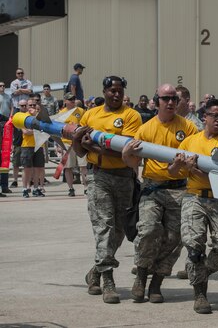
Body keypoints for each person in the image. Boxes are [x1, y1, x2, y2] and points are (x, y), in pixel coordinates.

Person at [121, 84, 198, 303]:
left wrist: (181, 168)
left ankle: (157, 282)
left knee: (175, 238)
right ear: (157, 101)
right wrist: (126, 156)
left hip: (179, 189)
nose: (171, 102)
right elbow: (133, 161)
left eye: (174, 98)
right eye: (166, 98)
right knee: (148, 230)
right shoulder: (146, 129)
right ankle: (141, 276)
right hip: (153, 188)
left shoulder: (189, 128)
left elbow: (194, 160)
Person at [73, 76, 142, 304]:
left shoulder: (131, 115)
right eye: (112, 91)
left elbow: (126, 151)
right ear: (104, 91)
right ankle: (108, 280)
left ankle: (95, 271)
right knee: (104, 226)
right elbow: (81, 151)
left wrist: (93, 146)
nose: (116, 95)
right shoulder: (90, 115)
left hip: (124, 177)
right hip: (98, 176)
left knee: (120, 230)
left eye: (119, 91)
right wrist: (77, 141)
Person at [168, 98, 218, 314]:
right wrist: (179, 166)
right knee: (194, 245)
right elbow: (173, 172)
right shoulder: (189, 142)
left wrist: (193, 170)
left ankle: (200, 271)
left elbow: (217, 179)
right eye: (214, 115)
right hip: (193, 197)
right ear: (204, 117)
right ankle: (200, 295)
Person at [58, 92, 87, 196]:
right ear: (65, 101)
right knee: (68, 167)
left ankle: (86, 187)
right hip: (66, 143)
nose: (72, 101)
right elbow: (57, 130)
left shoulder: (81, 111)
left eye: (74, 99)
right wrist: (58, 145)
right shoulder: (61, 113)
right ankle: (71, 189)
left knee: (83, 165)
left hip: (79, 142)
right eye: (70, 99)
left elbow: (86, 124)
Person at [20, 97, 46, 197]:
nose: (32, 107)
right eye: (30, 105)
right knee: (27, 169)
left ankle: (36, 188)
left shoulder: (39, 117)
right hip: (27, 146)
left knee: (37, 169)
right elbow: (26, 132)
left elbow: (44, 129)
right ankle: (25, 189)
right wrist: (38, 130)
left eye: (34, 105)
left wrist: (35, 131)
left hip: (39, 145)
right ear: (26, 106)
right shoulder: (23, 117)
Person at [10, 100, 27, 188]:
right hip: (17, 143)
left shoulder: (29, 116)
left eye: (25, 105)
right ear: (19, 107)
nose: (24, 107)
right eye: (22, 106)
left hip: (27, 143)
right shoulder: (15, 117)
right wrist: (11, 144)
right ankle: (15, 180)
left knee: (27, 164)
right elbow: (11, 130)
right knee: (16, 164)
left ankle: (28, 181)